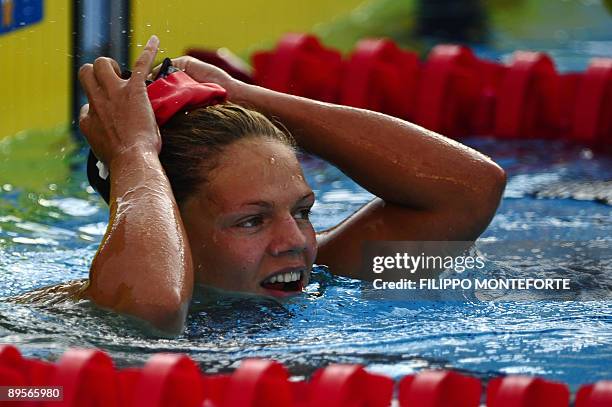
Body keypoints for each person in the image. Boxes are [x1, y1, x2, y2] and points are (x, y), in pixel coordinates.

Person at [16, 36, 506, 335]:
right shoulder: (80, 322)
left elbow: (470, 188)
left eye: (303, 211)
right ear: (174, 231)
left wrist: (247, 96)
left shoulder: (314, 285)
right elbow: (154, 310)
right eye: (251, 221)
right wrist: (133, 154)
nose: (295, 244)